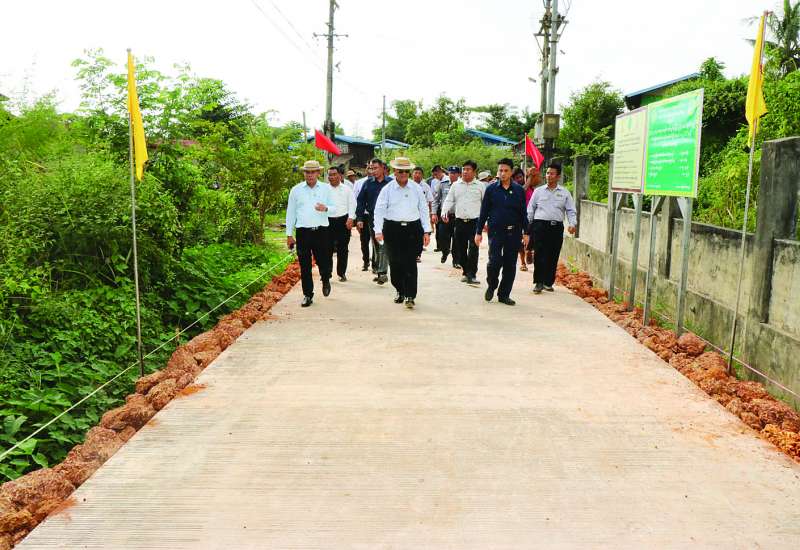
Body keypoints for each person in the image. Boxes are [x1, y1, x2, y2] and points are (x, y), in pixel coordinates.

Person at [373, 157, 432, 309]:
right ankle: (400, 290)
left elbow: (423, 209)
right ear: (395, 171)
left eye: (406, 171)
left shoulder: (416, 188)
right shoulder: (387, 189)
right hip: (392, 229)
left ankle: (410, 295)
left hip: (413, 229)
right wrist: (378, 230)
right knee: (395, 263)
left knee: (410, 263)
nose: (404, 174)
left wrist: (427, 231)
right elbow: (379, 210)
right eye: (400, 171)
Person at [475, 158, 528, 306]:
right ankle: (492, 284)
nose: (503, 173)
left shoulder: (519, 190)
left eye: (506, 171)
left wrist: (526, 232)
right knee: (494, 261)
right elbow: (484, 211)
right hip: (496, 232)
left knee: (510, 264)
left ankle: (504, 294)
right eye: (500, 170)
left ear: (511, 172)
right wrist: (478, 232)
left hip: (514, 232)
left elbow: (523, 213)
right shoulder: (491, 189)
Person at [285, 160, 334, 307]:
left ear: (318, 173)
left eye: (313, 172)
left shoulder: (326, 189)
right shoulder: (296, 190)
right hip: (303, 232)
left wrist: (326, 208)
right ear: (304, 173)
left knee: (323, 261)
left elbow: (336, 208)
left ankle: (325, 278)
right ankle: (307, 294)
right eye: (307, 172)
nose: (310, 175)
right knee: (304, 265)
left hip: (321, 231)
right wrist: (289, 234)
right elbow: (291, 213)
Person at [527, 162, 577, 294]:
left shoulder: (565, 193)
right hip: (539, 226)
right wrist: (528, 227)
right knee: (539, 254)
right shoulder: (538, 191)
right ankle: (538, 282)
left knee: (553, 254)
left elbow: (571, 210)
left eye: (552, 173)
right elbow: (531, 209)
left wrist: (572, 224)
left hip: (556, 227)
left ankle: (548, 282)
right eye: (547, 173)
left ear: (558, 176)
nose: (549, 175)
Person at [441, 160, 484, 285]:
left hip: (475, 222)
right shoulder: (456, 185)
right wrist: (444, 212)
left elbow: (485, 204)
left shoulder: (480, 186)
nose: (465, 172)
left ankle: (472, 274)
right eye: (464, 169)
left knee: (474, 248)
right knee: (461, 248)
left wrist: (486, 221)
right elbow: (449, 200)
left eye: (468, 169)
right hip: (460, 221)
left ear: (474, 172)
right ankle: (466, 272)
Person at [356, 158, 392, 285]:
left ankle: (382, 272)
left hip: (389, 218)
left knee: (384, 244)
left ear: (383, 168)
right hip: (373, 218)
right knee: (377, 244)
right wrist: (359, 218)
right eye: (371, 168)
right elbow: (360, 201)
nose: (373, 171)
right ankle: (379, 269)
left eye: (375, 168)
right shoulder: (368, 183)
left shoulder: (391, 183)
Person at [326, 165, 356, 282]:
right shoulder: (324, 190)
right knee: (327, 249)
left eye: (334, 174)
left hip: (343, 221)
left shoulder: (347, 189)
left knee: (343, 248)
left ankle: (341, 273)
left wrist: (351, 218)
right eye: (330, 175)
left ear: (340, 175)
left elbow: (352, 204)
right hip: (328, 222)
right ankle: (327, 273)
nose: (332, 177)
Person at [432, 166, 460, 267]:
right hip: (445, 216)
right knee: (442, 236)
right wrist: (434, 213)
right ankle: (445, 252)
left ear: (459, 174)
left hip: (457, 216)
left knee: (456, 239)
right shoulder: (443, 184)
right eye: (451, 173)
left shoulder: (461, 186)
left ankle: (456, 261)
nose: (452, 175)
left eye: (454, 173)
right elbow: (436, 200)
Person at [518, 166, 542, 272]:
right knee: (520, 240)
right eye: (517, 177)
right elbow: (523, 190)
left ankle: (528, 250)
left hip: (532, 217)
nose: (519, 179)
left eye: (521, 177)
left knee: (531, 238)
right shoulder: (516, 188)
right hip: (520, 217)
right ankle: (523, 262)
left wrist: (533, 173)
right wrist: (530, 176)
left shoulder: (533, 189)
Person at [412, 166, 434, 262]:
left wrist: (431, 214)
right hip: (410, 214)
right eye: (415, 173)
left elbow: (430, 201)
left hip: (421, 214)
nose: (417, 175)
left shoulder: (426, 187)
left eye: (419, 173)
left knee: (420, 234)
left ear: (422, 175)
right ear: (412, 174)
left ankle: (417, 254)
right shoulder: (408, 185)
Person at [353, 165, 373, 271]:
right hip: (363, 215)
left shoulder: (382, 182)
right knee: (364, 240)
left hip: (376, 215)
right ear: (366, 169)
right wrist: (357, 218)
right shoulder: (359, 183)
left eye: (373, 168)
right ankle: (366, 261)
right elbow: (356, 200)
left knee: (377, 240)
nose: (370, 170)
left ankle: (376, 263)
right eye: (369, 167)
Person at [427, 165, 445, 249]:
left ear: (440, 172)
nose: (435, 176)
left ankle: (445, 246)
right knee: (438, 227)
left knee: (444, 229)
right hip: (438, 207)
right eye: (433, 175)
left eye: (436, 174)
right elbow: (433, 195)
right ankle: (439, 246)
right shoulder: (434, 181)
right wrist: (433, 212)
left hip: (445, 207)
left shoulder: (447, 180)